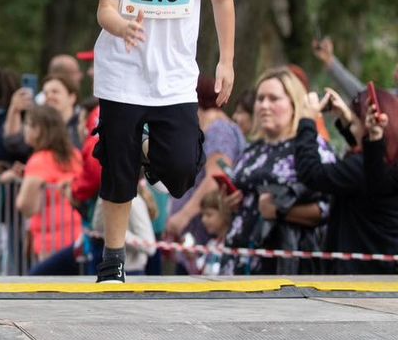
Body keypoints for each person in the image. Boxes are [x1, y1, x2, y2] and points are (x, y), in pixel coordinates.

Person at [89, 0, 236, 284]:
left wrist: (226, 59)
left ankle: (149, 154)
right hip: (122, 76)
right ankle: (112, 261)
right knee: (117, 170)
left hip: (174, 81)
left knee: (180, 172)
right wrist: (122, 26)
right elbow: (105, 10)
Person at [222, 68, 334, 275]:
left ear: (294, 104)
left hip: (284, 267)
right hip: (238, 261)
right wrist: (229, 203)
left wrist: (281, 211)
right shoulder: (251, 150)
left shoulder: (312, 148)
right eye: (260, 98)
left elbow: (329, 208)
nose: (264, 105)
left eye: (274, 99)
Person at [294, 87, 398, 274]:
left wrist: (307, 120)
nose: (353, 127)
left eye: (356, 123)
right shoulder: (385, 164)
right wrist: (347, 118)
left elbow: (311, 173)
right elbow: (371, 163)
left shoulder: (362, 169)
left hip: (361, 277)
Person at [163, 75, 247, 269]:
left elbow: (215, 178)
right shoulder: (219, 129)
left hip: (204, 244)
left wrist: (183, 216)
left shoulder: (218, 131)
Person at [1, 105, 84, 274]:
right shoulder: (74, 154)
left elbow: (26, 205)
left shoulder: (39, 160)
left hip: (51, 239)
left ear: (38, 130)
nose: (24, 129)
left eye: (27, 125)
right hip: (78, 235)